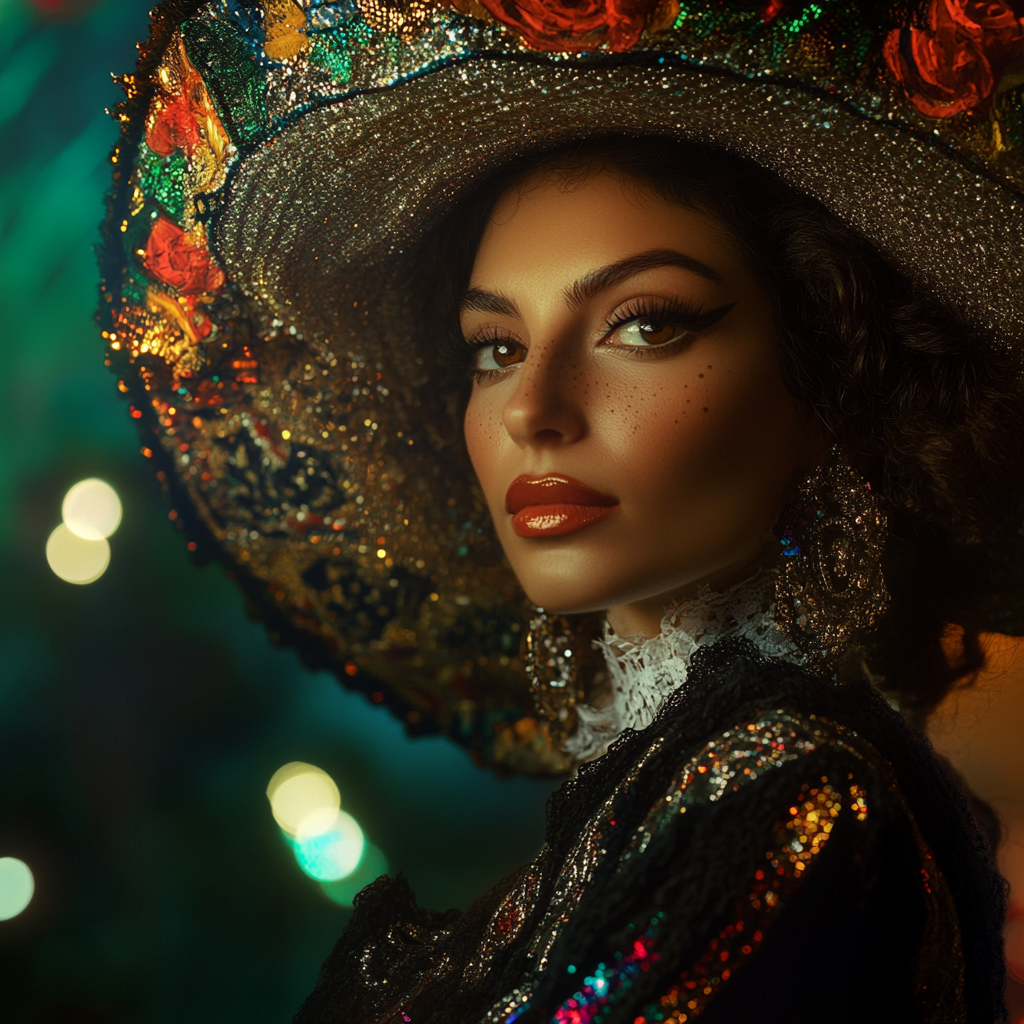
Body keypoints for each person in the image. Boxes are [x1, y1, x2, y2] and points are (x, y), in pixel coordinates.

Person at [99, 0, 1024, 1020]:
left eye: (643, 324)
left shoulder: (797, 793)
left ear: (833, 371)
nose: (533, 412)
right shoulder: (667, 796)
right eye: (495, 348)